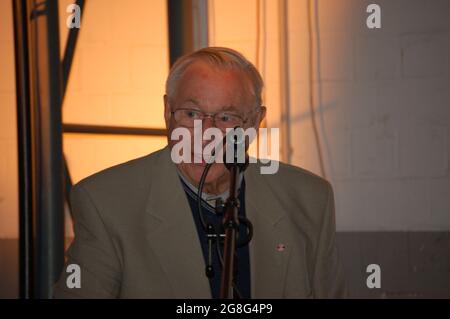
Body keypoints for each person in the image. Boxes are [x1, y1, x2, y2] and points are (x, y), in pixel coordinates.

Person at [54, 47, 347, 298]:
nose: (204, 134)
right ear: (168, 112)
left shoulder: (310, 199)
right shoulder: (106, 202)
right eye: (191, 114)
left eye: (226, 117)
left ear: (254, 123)